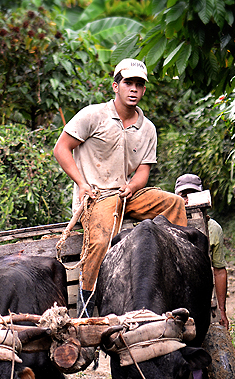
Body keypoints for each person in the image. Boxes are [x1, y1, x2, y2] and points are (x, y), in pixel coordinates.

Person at [53, 58, 187, 317]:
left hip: (128, 195)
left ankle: (178, 274)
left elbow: (143, 171)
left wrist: (133, 186)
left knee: (174, 203)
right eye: (128, 83)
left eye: (139, 84)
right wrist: (82, 184)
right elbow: (61, 149)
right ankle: (86, 309)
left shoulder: (147, 128)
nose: (134, 89)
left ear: (144, 90)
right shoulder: (93, 115)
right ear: (116, 86)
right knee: (101, 241)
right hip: (97, 197)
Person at [174, 173, 229, 379]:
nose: (187, 200)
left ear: (201, 196)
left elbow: (219, 269)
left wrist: (221, 310)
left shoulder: (212, 228)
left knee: (197, 355)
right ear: (175, 197)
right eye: (182, 194)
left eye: (191, 194)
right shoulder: (165, 225)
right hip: (171, 302)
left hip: (197, 301)